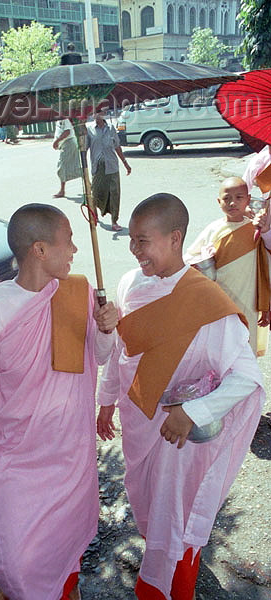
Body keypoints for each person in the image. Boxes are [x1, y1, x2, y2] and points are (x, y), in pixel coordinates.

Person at [0, 203, 119, 600]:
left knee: (63, 545)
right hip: (20, 456)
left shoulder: (77, 292)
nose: (74, 251)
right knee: (18, 561)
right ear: (39, 249)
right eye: (67, 242)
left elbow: (100, 356)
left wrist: (107, 328)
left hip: (70, 452)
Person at [97, 193, 265, 600]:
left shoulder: (205, 301)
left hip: (181, 437)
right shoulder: (129, 284)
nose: (135, 250)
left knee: (181, 517)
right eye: (132, 241)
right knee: (151, 510)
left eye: (143, 240)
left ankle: (169, 587)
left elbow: (247, 378)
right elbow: (123, 351)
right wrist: (105, 400)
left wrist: (192, 413)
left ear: (175, 238)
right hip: (140, 422)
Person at [185, 176, 271, 357]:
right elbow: (189, 259)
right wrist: (204, 258)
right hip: (219, 300)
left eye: (239, 197)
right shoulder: (213, 229)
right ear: (218, 202)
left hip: (248, 300)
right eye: (226, 198)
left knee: (245, 349)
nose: (233, 203)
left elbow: (266, 260)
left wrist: (265, 231)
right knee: (220, 350)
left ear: (248, 199)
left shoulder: (255, 229)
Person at [86, 109, 131, 231]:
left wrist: (125, 164)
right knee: (95, 194)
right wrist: (83, 168)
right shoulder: (89, 130)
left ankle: (114, 221)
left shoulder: (111, 128)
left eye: (100, 112)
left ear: (104, 113)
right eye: (95, 112)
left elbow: (117, 147)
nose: (97, 115)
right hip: (97, 168)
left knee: (114, 194)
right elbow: (84, 149)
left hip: (112, 166)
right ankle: (94, 215)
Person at [53, 119, 81, 198]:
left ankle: (62, 190)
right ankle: (88, 183)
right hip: (65, 144)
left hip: (69, 143)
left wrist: (57, 141)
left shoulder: (65, 119)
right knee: (72, 166)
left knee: (61, 167)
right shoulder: (59, 120)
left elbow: (67, 132)